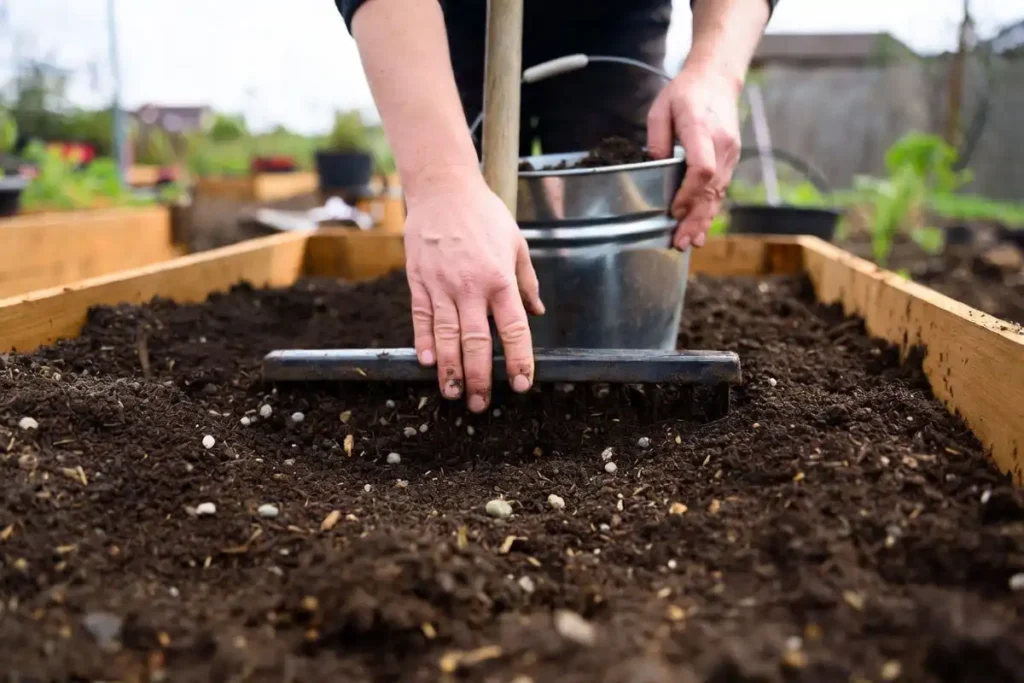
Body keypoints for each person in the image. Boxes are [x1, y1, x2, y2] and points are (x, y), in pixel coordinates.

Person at [335, 0, 775, 413]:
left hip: (612, 14)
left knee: (615, 248)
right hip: (449, 18)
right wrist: (439, 180)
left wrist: (714, 72)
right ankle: (481, 357)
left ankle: (611, 395)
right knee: (456, 229)